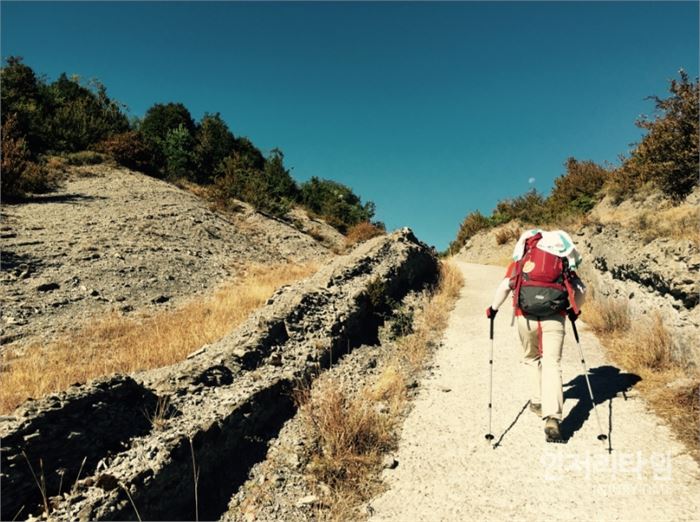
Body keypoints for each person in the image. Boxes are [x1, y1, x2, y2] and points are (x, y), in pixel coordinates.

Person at [486, 229, 585, 442]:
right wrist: (574, 311)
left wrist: (493, 309)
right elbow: (580, 290)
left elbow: (505, 286)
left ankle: (538, 401)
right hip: (555, 316)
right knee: (552, 363)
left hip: (526, 317)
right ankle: (552, 417)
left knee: (531, 358)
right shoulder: (561, 259)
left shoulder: (522, 260)